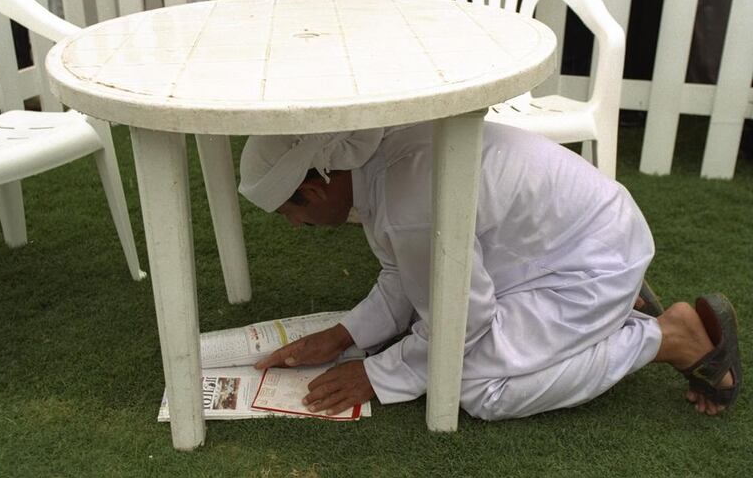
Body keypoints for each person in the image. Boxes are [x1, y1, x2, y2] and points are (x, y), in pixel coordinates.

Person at [239, 121, 742, 420]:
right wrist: (344, 333)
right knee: (448, 343)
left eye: (291, 214)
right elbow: (407, 273)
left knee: (476, 389)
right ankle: (608, 310)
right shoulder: (382, 159)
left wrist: (375, 374)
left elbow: (463, 318)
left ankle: (665, 337)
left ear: (316, 189)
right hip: (570, 241)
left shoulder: (404, 196)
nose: (298, 227)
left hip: (591, 262)